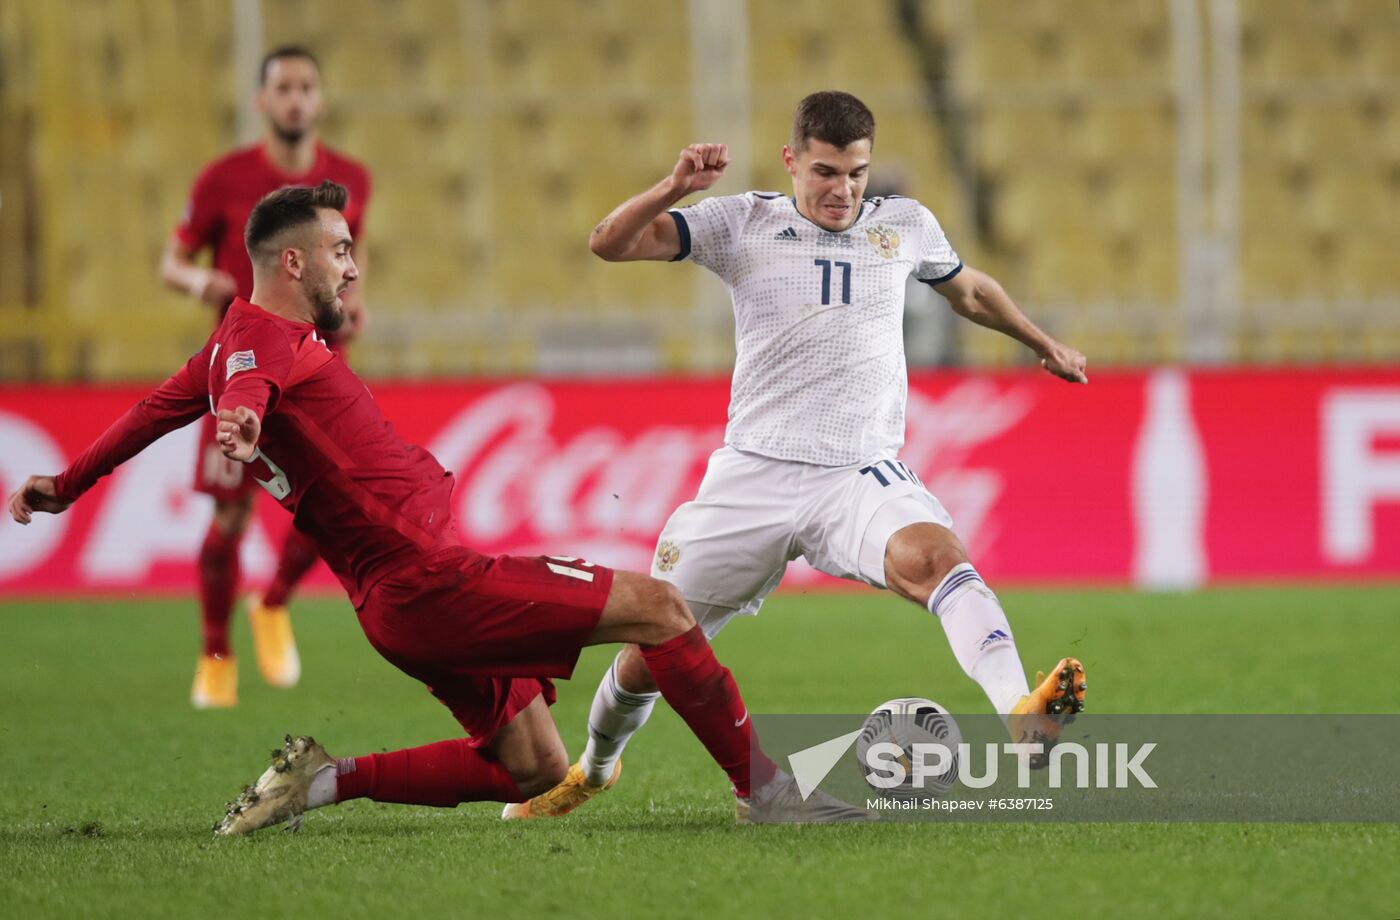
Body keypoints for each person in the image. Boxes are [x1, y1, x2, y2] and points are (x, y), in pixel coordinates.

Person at [8, 181, 854, 834]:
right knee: (663, 610)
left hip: (397, 602)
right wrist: (244, 418)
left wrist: (67, 483)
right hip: (431, 582)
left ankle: (323, 781)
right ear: (292, 263)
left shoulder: (234, 338)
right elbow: (246, 391)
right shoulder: (259, 345)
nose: (352, 266)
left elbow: (152, 412)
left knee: (535, 766)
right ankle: (766, 792)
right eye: (340, 250)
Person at [504, 90, 1090, 820]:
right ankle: (592, 770)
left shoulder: (906, 225)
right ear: (791, 160)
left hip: (857, 470)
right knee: (651, 649)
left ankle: (1019, 711)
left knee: (938, 559)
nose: (843, 191)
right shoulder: (742, 222)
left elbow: (968, 290)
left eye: (857, 174)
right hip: (753, 474)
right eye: (825, 173)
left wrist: (1042, 343)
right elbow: (608, 243)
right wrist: (675, 186)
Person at [159, 45, 372, 708]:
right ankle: (215, 654)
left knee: (336, 503)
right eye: (283, 87)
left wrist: (356, 300)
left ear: (320, 100)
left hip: (318, 365)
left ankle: (273, 602)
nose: (295, 99)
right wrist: (198, 282)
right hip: (243, 364)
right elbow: (172, 261)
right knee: (230, 516)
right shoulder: (223, 179)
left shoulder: (350, 179)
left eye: (306, 87)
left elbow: (353, 255)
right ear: (262, 101)